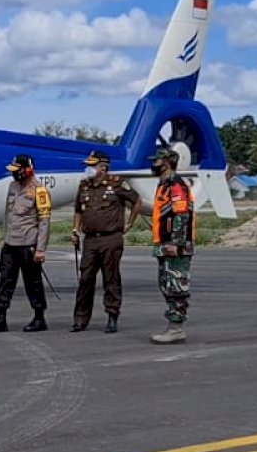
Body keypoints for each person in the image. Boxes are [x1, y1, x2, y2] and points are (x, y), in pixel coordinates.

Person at [70, 151, 141, 333]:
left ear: (103, 167)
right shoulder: (84, 186)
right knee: (85, 279)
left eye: (92, 165)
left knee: (111, 278)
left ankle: (112, 316)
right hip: (90, 240)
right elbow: (78, 210)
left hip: (111, 238)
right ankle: (80, 320)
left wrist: (130, 223)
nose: (88, 169)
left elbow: (136, 201)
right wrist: (75, 230)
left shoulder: (116, 183)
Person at [0, 154, 51, 333]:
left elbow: (44, 221)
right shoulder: (12, 186)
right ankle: (1, 318)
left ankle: (39, 318)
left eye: (18, 170)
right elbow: (8, 214)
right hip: (10, 243)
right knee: (5, 280)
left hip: (28, 244)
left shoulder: (39, 190)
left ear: (27, 170)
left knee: (33, 282)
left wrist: (40, 249)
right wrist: (5, 238)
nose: (14, 173)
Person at [148, 147, 194, 344]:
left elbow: (181, 214)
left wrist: (175, 242)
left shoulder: (175, 185)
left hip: (175, 246)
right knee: (167, 285)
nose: (153, 165)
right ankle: (174, 326)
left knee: (176, 286)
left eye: (156, 161)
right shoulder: (164, 185)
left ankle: (176, 328)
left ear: (166, 163)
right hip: (164, 245)